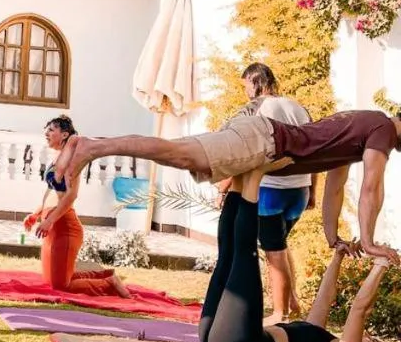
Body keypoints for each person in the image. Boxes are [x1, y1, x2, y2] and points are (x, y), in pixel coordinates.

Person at [54, 107, 401, 263]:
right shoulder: (383, 129)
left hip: (261, 136)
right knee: (179, 154)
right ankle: (93, 147)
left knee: (179, 154)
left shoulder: (365, 125)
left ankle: (93, 147)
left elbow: (335, 190)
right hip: (264, 140)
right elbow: (372, 185)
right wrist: (369, 242)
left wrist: (333, 239)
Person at [201, 176, 395, 342]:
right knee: (228, 257)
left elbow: (360, 309)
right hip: (216, 341)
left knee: (243, 254)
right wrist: (338, 256)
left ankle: (254, 176)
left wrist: (381, 264)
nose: (367, 336)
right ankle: (240, 180)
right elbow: (324, 298)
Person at [240, 62, 316, 324]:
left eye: (246, 86)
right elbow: (314, 151)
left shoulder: (259, 110)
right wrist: (313, 191)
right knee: (281, 246)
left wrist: (228, 186)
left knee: (274, 251)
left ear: (255, 82)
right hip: (300, 192)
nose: (245, 92)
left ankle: (279, 313)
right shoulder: (298, 107)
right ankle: (292, 302)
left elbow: (250, 152)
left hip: (272, 191)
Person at [23, 116, 130, 297]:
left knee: (61, 286)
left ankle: (108, 284)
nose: (46, 133)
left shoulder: (73, 158)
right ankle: (107, 276)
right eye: (47, 130)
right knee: (54, 281)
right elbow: (51, 192)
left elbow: (72, 195)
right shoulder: (58, 156)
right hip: (53, 223)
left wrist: (49, 221)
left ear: (64, 134)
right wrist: (36, 214)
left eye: (51, 130)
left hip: (65, 226)